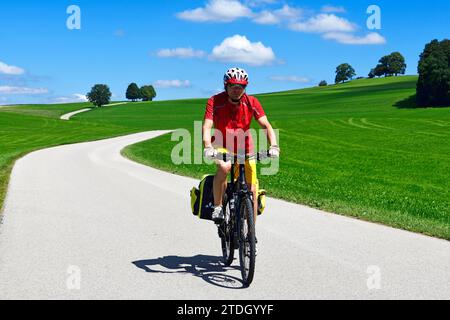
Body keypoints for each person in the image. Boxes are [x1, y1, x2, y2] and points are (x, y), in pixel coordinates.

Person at [202, 67, 280, 228]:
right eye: (233, 86)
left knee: (251, 190)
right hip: (221, 145)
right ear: (226, 85)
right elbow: (207, 126)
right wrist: (208, 146)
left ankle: (251, 235)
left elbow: (265, 125)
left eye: (241, 87)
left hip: (245, 148)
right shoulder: (214, 101)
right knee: (224, 167)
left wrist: (273, 145)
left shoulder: (252, 102)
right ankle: (217, 207)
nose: (237, 90)